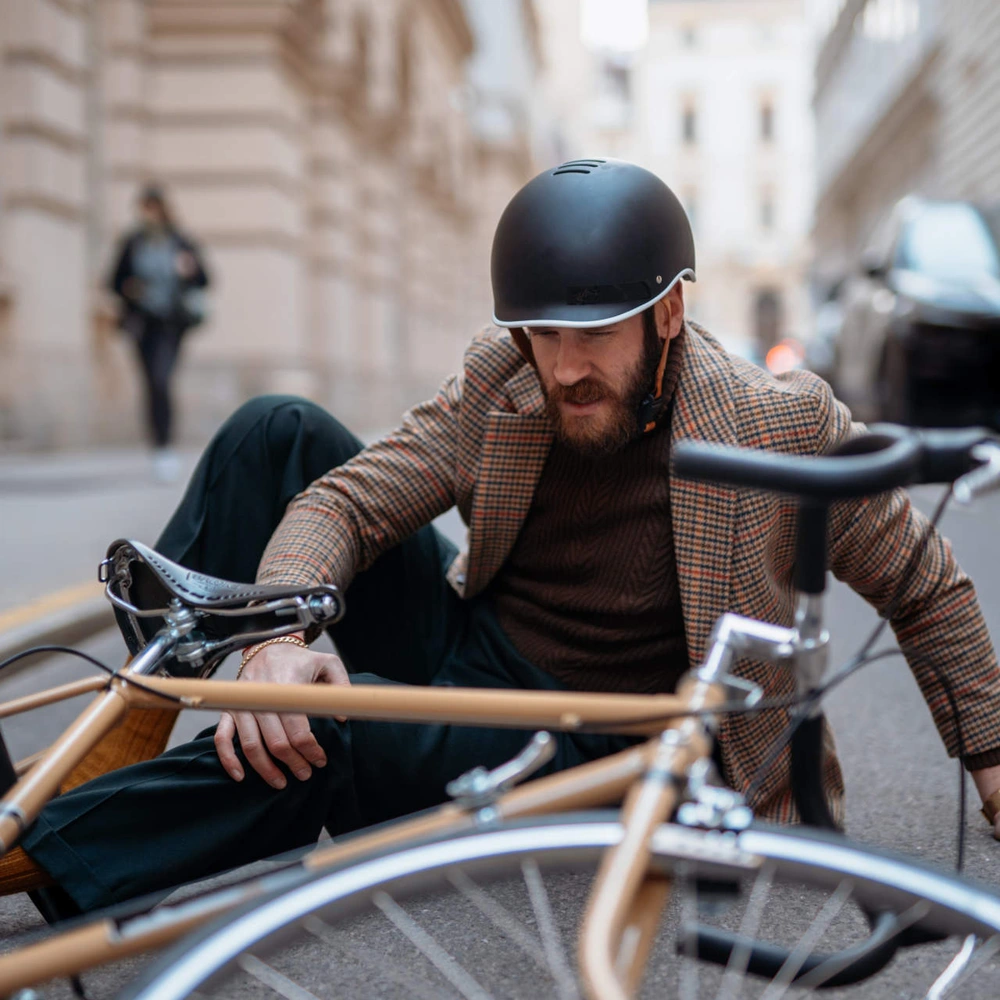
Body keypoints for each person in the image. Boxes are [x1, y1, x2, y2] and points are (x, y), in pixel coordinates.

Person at [6, 160, 1000, 915]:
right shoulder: (505, 376)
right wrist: (277, 639)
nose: (564, 366)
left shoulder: (773, 423)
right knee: (279, 432)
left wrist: (994, 766)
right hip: (473, 643)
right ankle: (143, 715)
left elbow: (925, 585)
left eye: (594, 331)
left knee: (324, 737)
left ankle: (45, 848)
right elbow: (347, 503)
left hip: (589, 740)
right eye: (542, 332)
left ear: (668, 313)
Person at [109, 185, 210, 482]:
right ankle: (158, 446)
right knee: (151, 384)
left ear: (163, 208)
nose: (148, 214)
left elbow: (205, 278)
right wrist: (129, 288)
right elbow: (113, 280)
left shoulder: (180, 241)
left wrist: (189, 270)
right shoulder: (133, 242)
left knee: (161, 379)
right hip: (142, 324)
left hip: (171, 324)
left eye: (152, 207)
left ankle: (165, 447)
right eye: (144, 208)